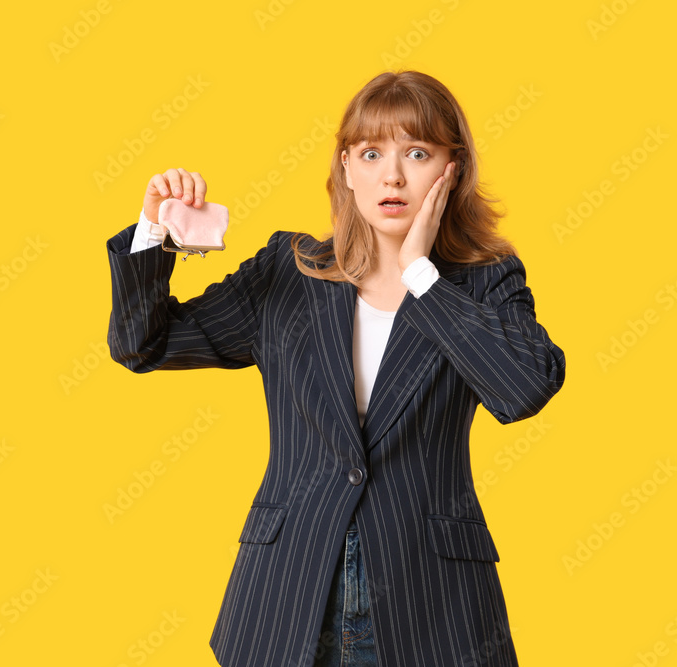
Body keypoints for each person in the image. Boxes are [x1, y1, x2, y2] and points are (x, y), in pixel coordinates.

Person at [105, 70, 566, 667]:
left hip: (431, 604)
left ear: (452, 170)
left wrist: (420, 273)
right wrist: (154, 230)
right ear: (347, 168)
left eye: (417, 153)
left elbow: (525, 387)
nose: (392, 176)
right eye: (371, 153)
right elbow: (143, 344)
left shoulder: (484, 281)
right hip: (289, 594)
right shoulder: (288, 270)